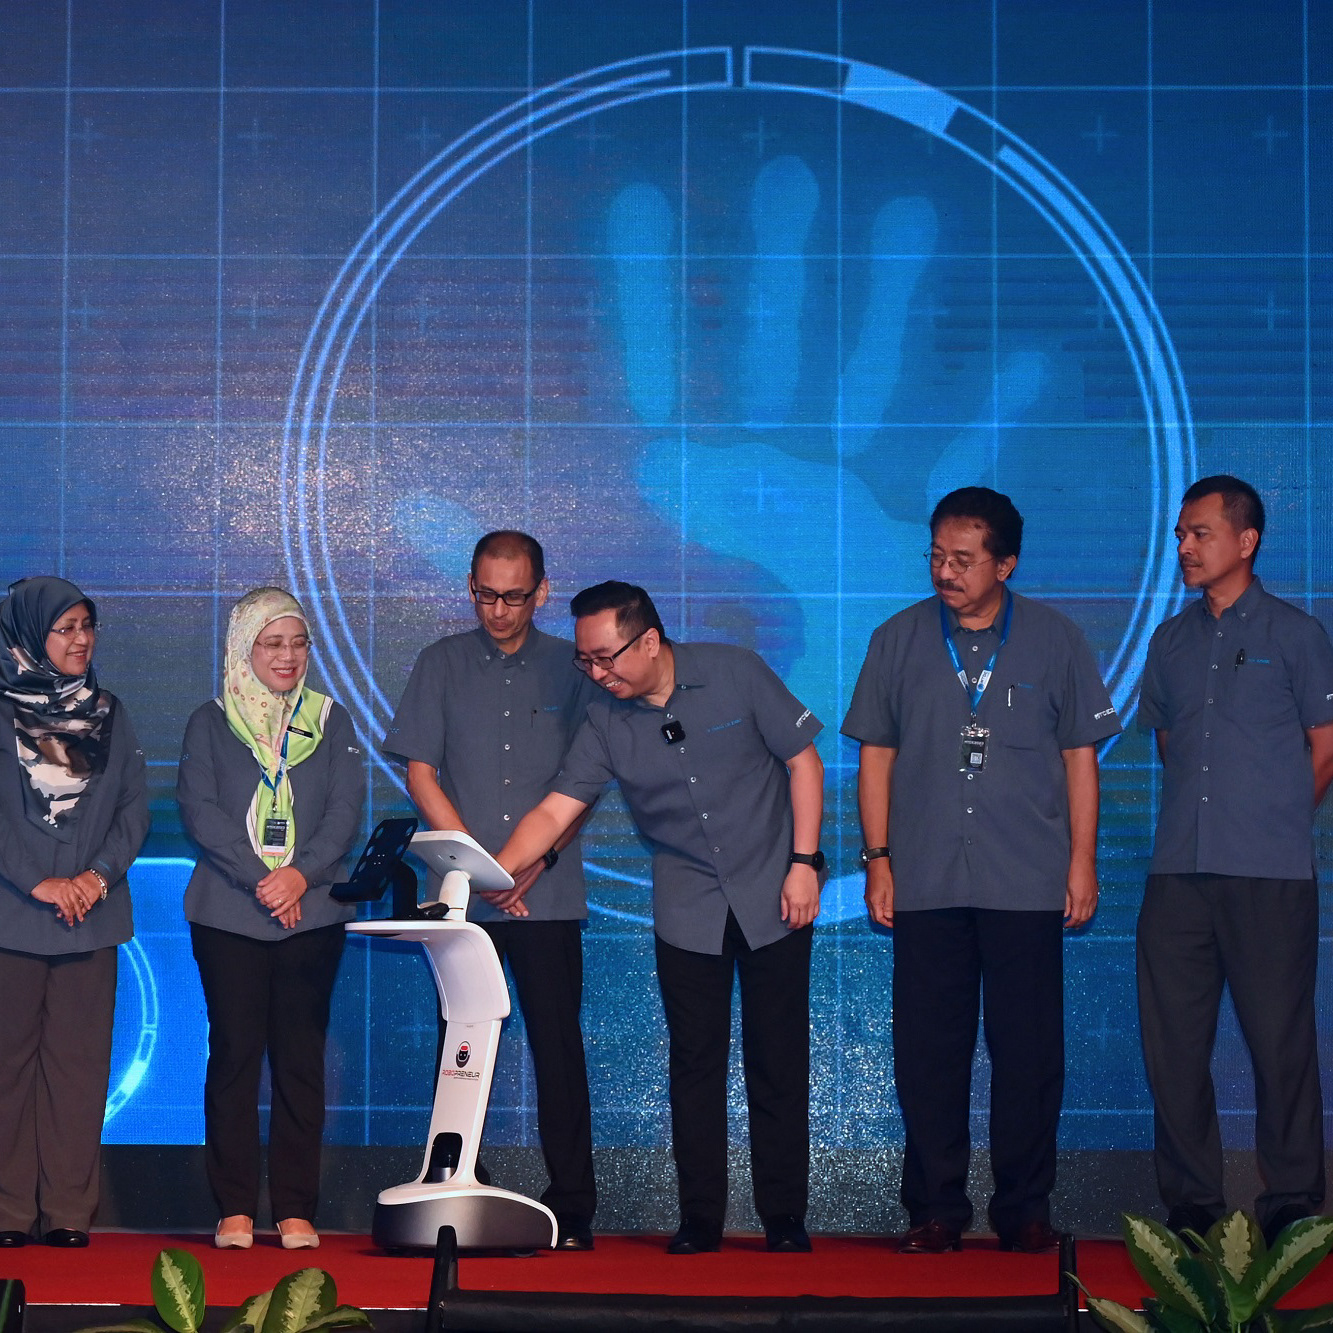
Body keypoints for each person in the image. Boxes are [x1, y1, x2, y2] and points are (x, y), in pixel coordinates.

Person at [493, 581, 824, 1255]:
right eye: (585, 660)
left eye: (605, 658)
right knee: (695, 1064)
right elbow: (556, 809)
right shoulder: (605, 721)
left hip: (774, 891)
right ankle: (700, 1219)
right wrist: (495, 871)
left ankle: (784, 1217)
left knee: (777, 1059)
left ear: (648, 641)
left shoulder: (735, 671)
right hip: (687, 905)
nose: (596, 673)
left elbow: (803, 762)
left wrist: (803, 861)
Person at [842, 487, 1120, 1254]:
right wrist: (877, 859)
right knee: (928, 1051)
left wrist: (1081, 860)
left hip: (1026, 877)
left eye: (962, 559)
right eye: (936, 555)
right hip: (924, 876)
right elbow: (875, 757)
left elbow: (1079, 759)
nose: (945, 571)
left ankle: (1023, 1207)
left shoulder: (1056, 639)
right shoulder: (896, 638)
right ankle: (934, 1208)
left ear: (1005, 563)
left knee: (1027, 1052)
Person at [382, 531, 600, 1251]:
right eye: (484, 594)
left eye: (513, 596)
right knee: (461, 1043)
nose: (497, 610)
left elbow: (587, 779)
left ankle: (573, 1207)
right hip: (463, 896)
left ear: (542, 592)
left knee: (557, 1046)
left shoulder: (574, 669)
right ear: (469, 587)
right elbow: (420, 773)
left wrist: (538, 859)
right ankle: (454, 1180)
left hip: (547, 891)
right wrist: (478, 865)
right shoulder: (440, 662)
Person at [1136, 475, 1333, 1244]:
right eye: (1179, 534)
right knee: (1172, 1045)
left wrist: (1273, 819)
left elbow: (1324, 747)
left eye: (1200, 533)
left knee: (1280, 1040)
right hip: (1176, 872)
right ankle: (1190, 1202)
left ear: (1245, 541)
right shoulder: (1168, 641)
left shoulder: (1296, 634)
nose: (1184, 546)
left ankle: (1290, 1201)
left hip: (1269, 873)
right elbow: (1167, 743)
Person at [178, 587, 365, 1251]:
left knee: (299, 1059)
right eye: (272, 643)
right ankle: (233, 1206)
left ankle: (293, 1207)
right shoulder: (210, 721)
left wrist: (299, 875)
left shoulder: (330, 720)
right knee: (234, 1054)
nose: (287, 656)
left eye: (298, 643)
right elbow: (199, 809)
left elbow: (345, 811)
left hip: (310, 915)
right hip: (229, 914)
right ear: (243, 649)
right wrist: (263, 877)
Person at [0, 577, 149, 1248]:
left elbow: (134, 809)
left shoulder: (111, 711)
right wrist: (37, 881)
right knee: (7, 1068)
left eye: (87, 625)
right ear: (30, 636)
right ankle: (8, 1211)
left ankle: (66, 1211)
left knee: (79, 1069)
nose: (81, 639)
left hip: (92, 913)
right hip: (13, 914)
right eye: (65, 628)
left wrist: (94, 876)